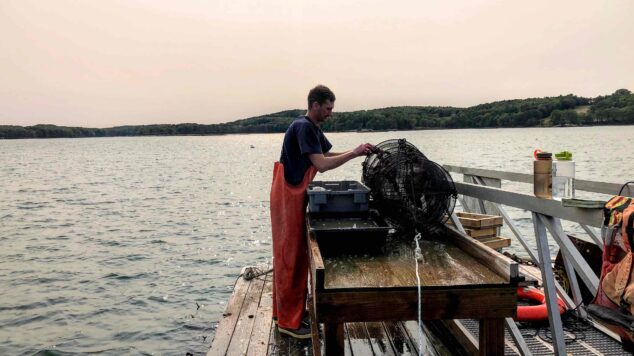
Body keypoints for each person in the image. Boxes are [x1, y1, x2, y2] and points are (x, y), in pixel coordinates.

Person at [270, 84, 374, 339]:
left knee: (294, 255)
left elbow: (326, 154)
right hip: (288, 193)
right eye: (328, 108)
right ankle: (288, 323)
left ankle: (284, 312)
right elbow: (323, 165)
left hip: (293, 191)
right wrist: (354, 153)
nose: (330, 113)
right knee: (291, 257)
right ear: (314, 105)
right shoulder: (303, 126)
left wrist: (357, 152)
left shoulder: (312, 128)